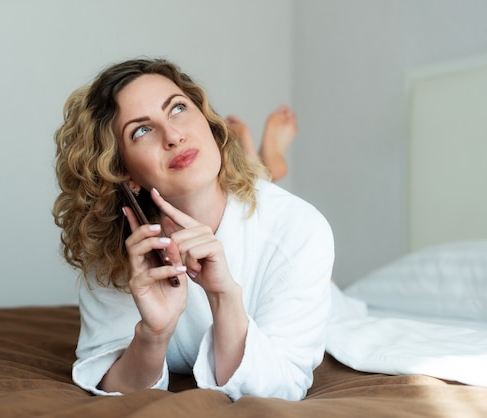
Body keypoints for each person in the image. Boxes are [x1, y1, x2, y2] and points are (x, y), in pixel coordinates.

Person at [53, 58, 334, 401]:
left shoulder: (300, 230)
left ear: (207, 119)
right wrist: (153, 334)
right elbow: (112, 383)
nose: (173, 136)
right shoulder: (118, 250)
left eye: (178, 109)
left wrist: (224, 295)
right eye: (141, 130)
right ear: (124, 173)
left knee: (341, 308)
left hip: (311, 283)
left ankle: (262, 164)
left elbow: (281, 388)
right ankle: (259, 161)